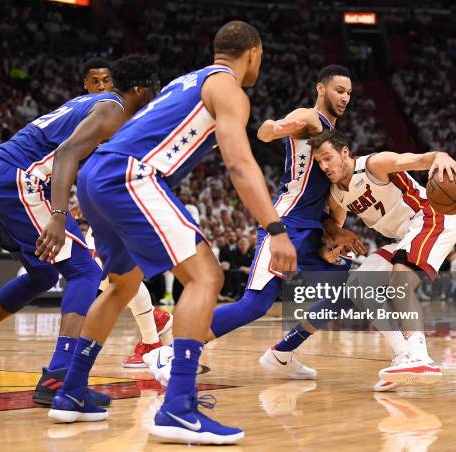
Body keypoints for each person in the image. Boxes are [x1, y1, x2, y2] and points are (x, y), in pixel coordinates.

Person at [37, 21, 297, 444]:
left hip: (97, 174)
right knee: (206, 276)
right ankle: (178, 406)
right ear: (254, 53)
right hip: (130, 175)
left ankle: (70, 392)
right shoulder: (228, 87)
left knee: (122, 285)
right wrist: (275, 228)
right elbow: (239, 164)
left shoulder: (187, 80)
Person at [0, 55, 158, 409]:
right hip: (18, 180)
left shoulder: (96, 104)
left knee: (43, 273)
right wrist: (58, 213)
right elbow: (65, 153)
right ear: (141, 90)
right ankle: (59, 377)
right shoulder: (112, 109)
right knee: (85, 270)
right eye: (153, 91)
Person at [144, 65, 366, 383]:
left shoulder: (331, 134)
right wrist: (276, 128)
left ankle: (283, 353)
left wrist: (334, 231)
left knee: (347, 288)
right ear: (321, 89)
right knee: (253, 305)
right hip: (286, 225)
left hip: (310, 230)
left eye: (348, 93)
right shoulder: (311, 118)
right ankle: (170, 354)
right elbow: (270, 129)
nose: (345, 98)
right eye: (339, 90)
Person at [271, 128, 456, 390]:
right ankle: (402, 357)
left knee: (400, 283)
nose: (324, 166)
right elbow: (333, 227)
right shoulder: (337, 194)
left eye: (327, 158)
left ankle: (420, 357)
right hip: (402, 237)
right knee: (358, 286)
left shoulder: (374, 165)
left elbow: (414, 159)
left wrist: (438, 156)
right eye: (319, 161)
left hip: (429, 219)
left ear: (345, 152)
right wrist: (336, 240)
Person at [80, 57, 173, 368]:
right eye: (97, 81)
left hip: (125, 194)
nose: (103, 86)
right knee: (112, 275)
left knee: (107, 272)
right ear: (86, 84)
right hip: (106, 196)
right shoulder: (91, 112)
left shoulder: (126, 112)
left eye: (107, 81)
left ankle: (152, 338)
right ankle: (155, 325)